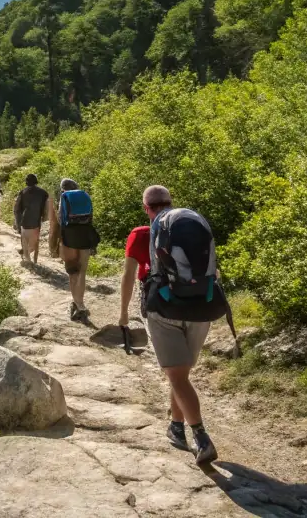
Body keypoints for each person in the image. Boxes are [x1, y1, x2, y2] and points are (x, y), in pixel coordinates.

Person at [117, 184, 221, 467]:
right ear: (171, 202)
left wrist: (124, 313)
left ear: (146, 208)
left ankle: (201, 437)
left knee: (177, 376)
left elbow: (128, 277)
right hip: (202, 305)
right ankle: (176, 426)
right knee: (182, 374)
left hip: (165, 307)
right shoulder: (192, 222)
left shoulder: (142, 234)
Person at [57, 178, 99, 321]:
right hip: (85, 234)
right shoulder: (85, 195)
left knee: (72, 272)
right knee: (82, 272)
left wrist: (59, 240)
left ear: (63, 188)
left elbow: (61, 219)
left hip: (69, 235)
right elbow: (91, 218)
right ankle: (79, 304)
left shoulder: (64, 197)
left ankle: (78, 304)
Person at [12, 174, 50, 265]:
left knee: (25, 241)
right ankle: (33, 260)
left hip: (24, 221)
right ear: (36, 181)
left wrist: (17, 223)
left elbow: (17, 209)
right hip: (36, 221)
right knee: (34, 242)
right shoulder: (43, 193)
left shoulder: (23, 192)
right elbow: (46, 207)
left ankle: (27, 259)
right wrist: (44, 217)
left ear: (26, 182)